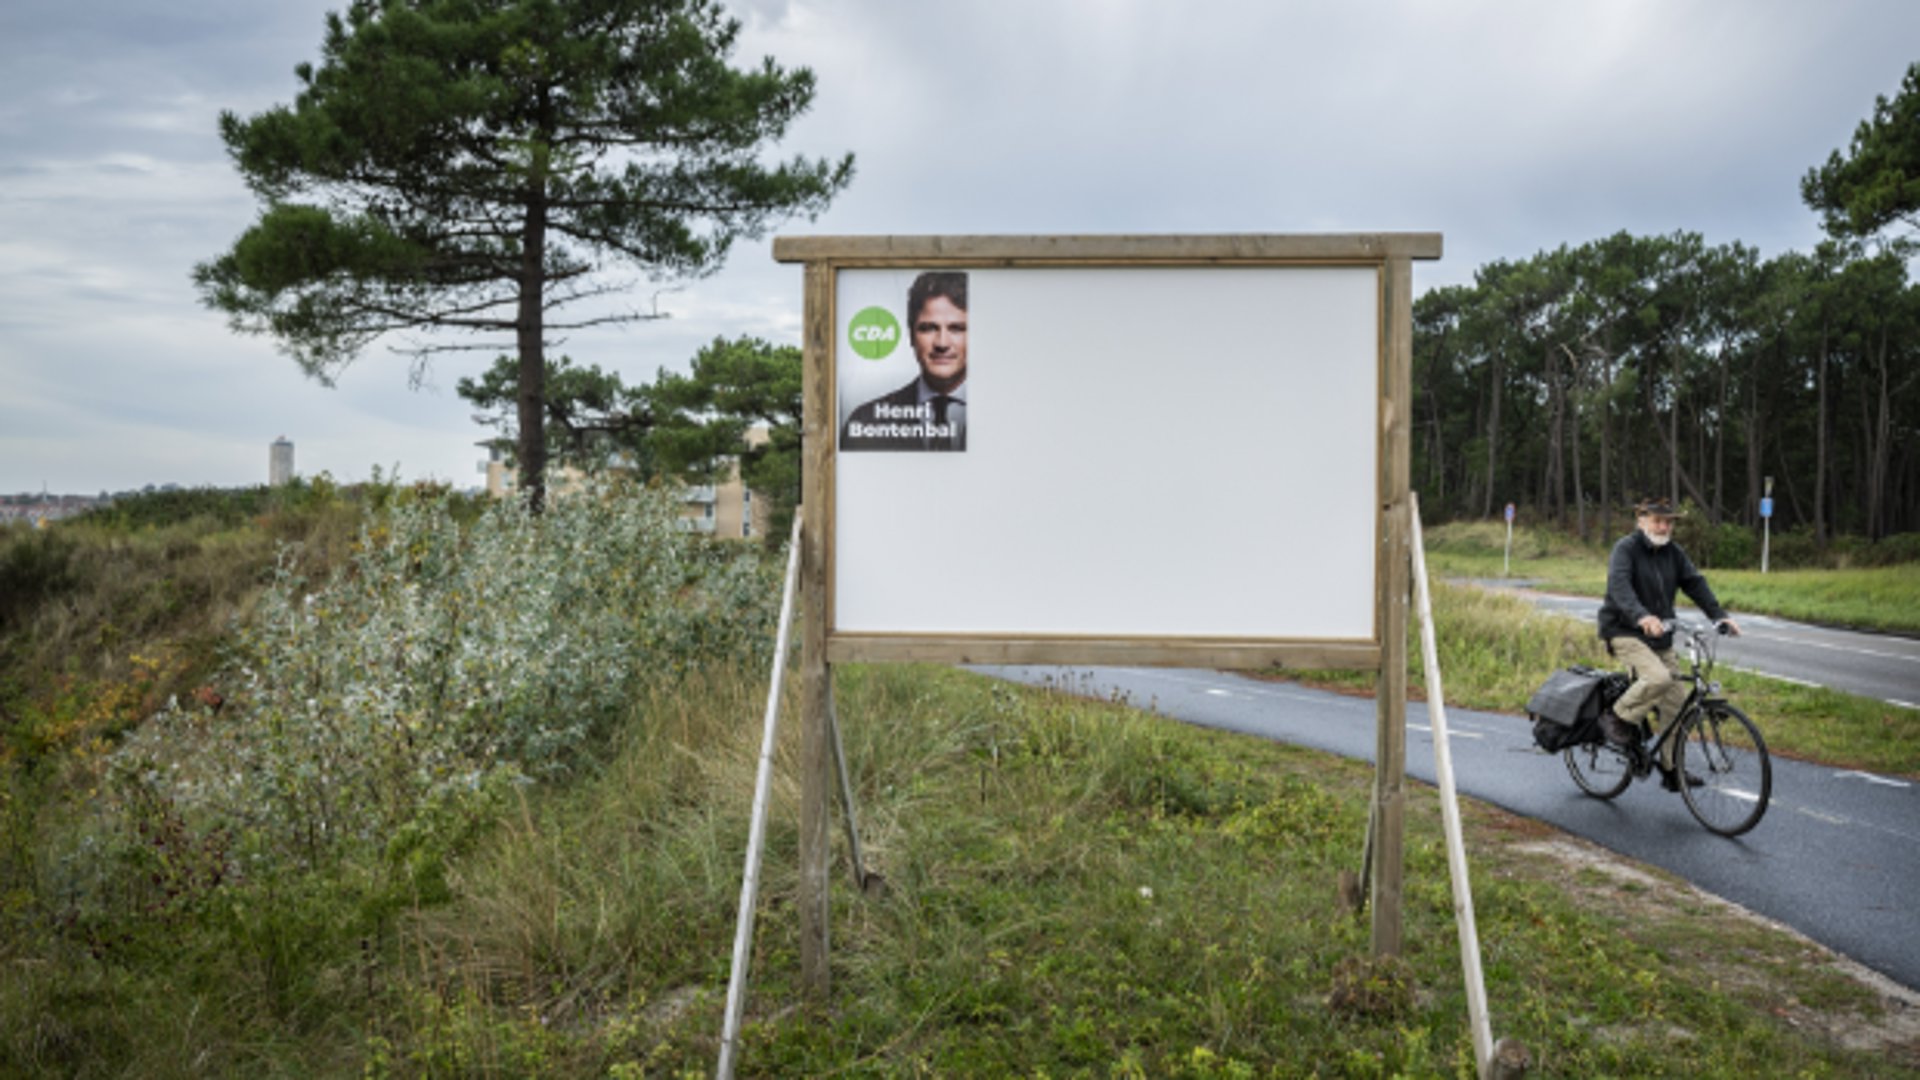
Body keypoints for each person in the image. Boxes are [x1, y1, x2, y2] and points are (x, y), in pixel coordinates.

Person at [1595, 497, 1743, 790]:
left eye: (1668, 522)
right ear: (1641, 521)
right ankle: (1616, 716)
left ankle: (1671, 770)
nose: (1663, 527)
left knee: (1676, 703)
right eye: (1657, 521)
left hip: (1659, 637)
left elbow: (1695, 583)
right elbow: (1619, 587)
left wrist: (1719, 616)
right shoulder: (1626, 548)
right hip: (1625, 631)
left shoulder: (1673, 553)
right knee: (1658, 678)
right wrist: (1641, 616)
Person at [840, 271, 968, 452]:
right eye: (928, 328)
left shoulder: (1004, 413)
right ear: (911, 336)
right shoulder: (865, 421)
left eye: (957, 329)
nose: (942, 343)